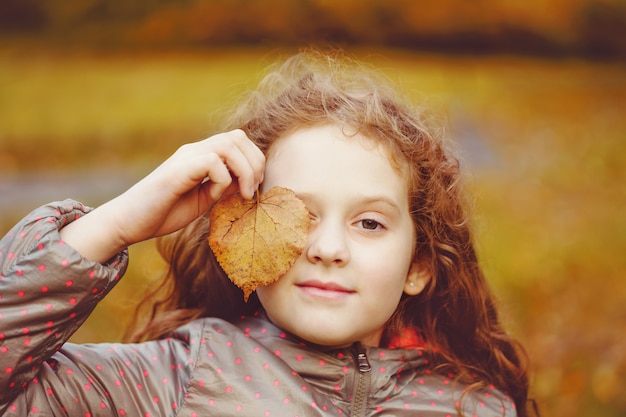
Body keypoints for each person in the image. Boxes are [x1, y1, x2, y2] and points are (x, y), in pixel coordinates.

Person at [0, 49, 532, 417]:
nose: (327, 249)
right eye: (296, 216)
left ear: (418, 265)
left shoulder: (475, 405)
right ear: (240, 229)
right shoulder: (171, 382)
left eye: (369, 223)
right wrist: (113, 224)